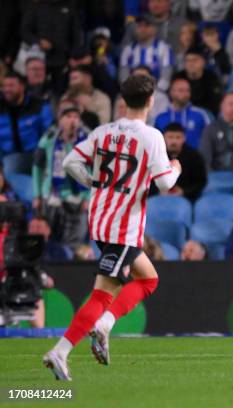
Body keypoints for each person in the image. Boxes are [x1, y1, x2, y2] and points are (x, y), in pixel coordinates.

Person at [43, 74, 182, 381]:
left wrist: (95, 183)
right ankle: (61, 352)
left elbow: (70, 164)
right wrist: (175, 166)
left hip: (101, 221)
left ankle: (104, 326)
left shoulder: (103, 132)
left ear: (122, 101)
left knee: (148, 279)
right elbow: (163, 184)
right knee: (102, 296)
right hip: (123, 228)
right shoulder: (151, 137)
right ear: (150, 101)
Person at [32, 103, 90, 249]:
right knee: (48, 241)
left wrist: (89, 197)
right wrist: (37, 194)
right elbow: (37, 167)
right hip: (52, 197)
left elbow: (97, 171)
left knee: (73, 244)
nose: (73, 121)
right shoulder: (49, 138)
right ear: (60, 120)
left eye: (76, 117)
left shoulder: (88, 141)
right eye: (68, 116)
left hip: (78, 199)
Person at [20, 0, 83, 96]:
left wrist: (73, 56)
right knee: (36, 93)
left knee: (61, 93)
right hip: (39, 60)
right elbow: (24, 31)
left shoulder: (70, 7)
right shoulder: (36, 7)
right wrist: (39, 41)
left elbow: (77, 35)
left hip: (62, 60)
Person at [0, 71, 53, 156]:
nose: (7, 89)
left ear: (22, 86)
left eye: (11, 85)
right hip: (6, 155)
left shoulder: (38, 105)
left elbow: (48, 132)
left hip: (35, 153)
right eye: (4, 86)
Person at [154, 76, 211, 149]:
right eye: (181, 90)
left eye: (188, 91)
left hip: (194, 158)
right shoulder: (161, 117)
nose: (185, 94)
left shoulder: (200, 115)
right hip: (166, 159)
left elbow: (209, 139)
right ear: (171, 92)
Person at [119, 15, 173, 92]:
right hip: (132, 94)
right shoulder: (128, 50)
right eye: (139, 26)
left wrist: (152, 94)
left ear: (155, 29)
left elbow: (165, 79)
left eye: (146, 25)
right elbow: (123, 77)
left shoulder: (164, 49)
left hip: (157, 94)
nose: (142, 29)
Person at [160, 123, 207, 201]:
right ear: (164, 138)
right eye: (170, 137)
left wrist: (184, 191)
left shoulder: (194, 157)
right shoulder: (158, 155)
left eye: (178, 137)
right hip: (159, 197)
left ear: (184, 138)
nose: (174, 141)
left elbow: (200, 182)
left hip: (188, 198)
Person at [121, 0, 185, 53]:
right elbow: (125, 49)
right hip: (143, 65)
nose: (155, 5)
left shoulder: (181, 25)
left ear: (168, 3)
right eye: (151, 1)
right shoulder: (137, 24)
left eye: (159, 1)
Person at [178, 47, 223, 115]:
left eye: (195, 60)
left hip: (206, 114)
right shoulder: (178, 77)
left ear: (203, 62)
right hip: (182, 113)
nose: (191, 63)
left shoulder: (211, 78)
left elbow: (215, 104)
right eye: (187, 60)